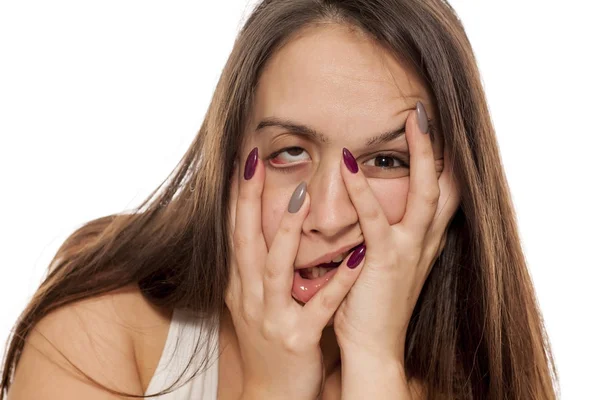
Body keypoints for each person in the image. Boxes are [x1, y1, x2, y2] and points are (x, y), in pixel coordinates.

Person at [1, 0, 558, 399]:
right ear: (228, 164)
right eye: (289, 152)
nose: (331, 216)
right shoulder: (105, 331)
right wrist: (274, 388)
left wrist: (372, 364)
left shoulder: (480, 379)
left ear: (450, 188)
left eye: (387, 161)